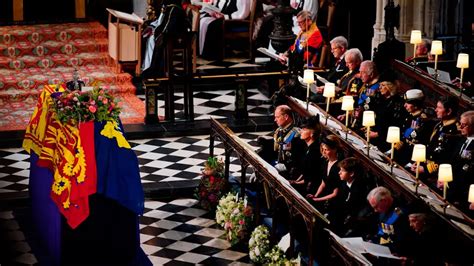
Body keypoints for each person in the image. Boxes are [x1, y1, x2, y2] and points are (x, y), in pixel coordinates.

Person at [411, 96, 460, 188]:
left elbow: (447, 158)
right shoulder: (439, 124)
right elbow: (430, 146)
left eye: (439, 108)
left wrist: (425, 169)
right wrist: (419, 162)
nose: (436, 110)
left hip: (436, 175)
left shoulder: (455, 131)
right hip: (425, 167)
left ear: (449, 111)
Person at [142, 0, 191, 78]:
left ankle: (154, 69)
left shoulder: (174, 8)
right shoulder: (167, 6)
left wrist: (156, 32)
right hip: (169, 34)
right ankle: (147, 67)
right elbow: (161, 22)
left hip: (176, 38)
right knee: (148, 37)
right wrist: (152, 28)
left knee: (155, 38)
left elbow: (169, 27)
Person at [258, 105, 306, 179]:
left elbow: (297, 157)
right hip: (277, 161)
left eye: (277, 117)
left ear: (286, 117)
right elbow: (276, 147)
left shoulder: (296, 134)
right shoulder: (279, 130)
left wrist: (285, 166)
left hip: (289, 167)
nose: (275, 120)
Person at [306, 135, 343, 221]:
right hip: (324, 197)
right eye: (323, 149)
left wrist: (318, 199)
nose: (324, 152)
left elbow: (335, 193)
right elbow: (323, 184)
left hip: (333, 202)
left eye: (326, 150)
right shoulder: (325, 163)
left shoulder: (339, 167)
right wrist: (315, 196)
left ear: (335, 149)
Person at [394, 89, 434, 166]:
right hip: (401, 152)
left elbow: (422, 144)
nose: (405, 105)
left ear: (416, 105)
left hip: (412, 158)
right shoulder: (408, 115)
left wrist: (412, 163)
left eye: (408, 103)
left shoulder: (425, 121)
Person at [369, 73, 408, 152]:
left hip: (385, 139)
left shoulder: (398, 103)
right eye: (379, 85)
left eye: (383, 85)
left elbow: (395, 124)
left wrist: (378, 134)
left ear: (390, 87)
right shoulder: (380, 98)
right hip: (374, 133)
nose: (379, 88)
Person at [366, 186, 410, 256]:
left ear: (384, 201)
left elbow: (397, 241)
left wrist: (376, 245)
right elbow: (381, 231)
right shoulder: (385, 208)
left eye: (376, 206)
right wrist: (372, 241)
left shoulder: (398, 213)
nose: (375, 210)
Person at [337, 157, 374, 237]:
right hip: (344, 216)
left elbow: (354, 209)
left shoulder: (360, 188)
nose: (339, 173)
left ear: (351, 173)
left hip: (355, 221)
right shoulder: (344, 183)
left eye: (342, 171)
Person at [448, 110, 474, 216]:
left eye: (464, 125)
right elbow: (452, 163)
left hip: (465, 195)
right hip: (452, 188)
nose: (460, 127)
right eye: (460, 124)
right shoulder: (462, 141)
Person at [289, 115, 323, 195]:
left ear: (312, 134)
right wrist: (296, 180)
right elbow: (305, 172)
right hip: (302, 181)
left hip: (310, 187)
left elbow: (312, 176)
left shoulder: (315, 151)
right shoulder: (306, 147)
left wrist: (297, 183)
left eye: (304, 130)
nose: (300, 132)